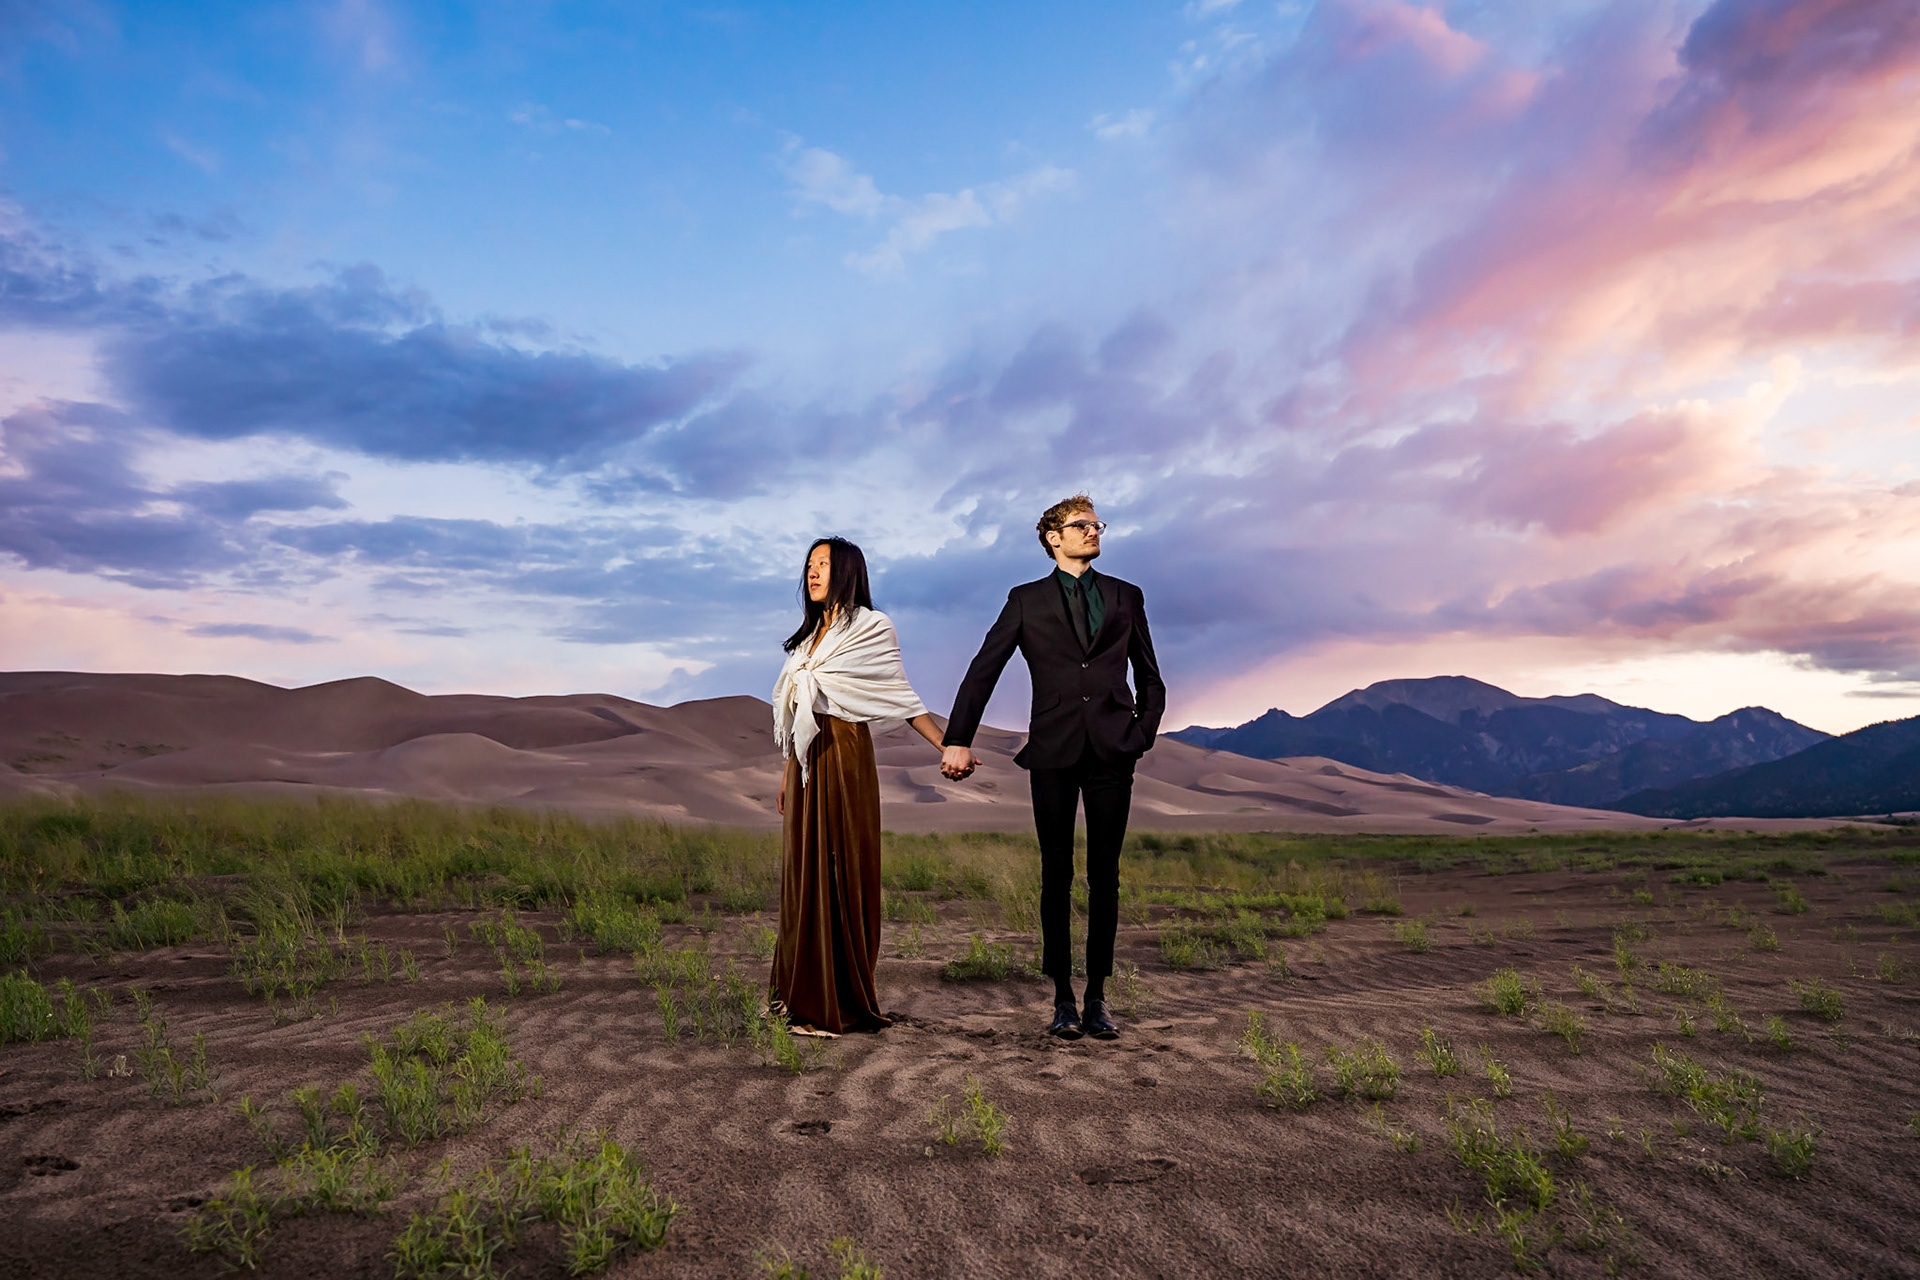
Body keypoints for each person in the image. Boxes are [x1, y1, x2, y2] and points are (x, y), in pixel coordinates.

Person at [939, 496, 1165, 1040]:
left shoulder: (1124, 595)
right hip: (1054, 749)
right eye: (1080, 525)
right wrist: (958, 738)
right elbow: (983, 670)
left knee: (1104, 875)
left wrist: (1140, 734)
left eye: (1096, 524)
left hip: (1114, 748)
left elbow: (1150, 676)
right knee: (1056, 874)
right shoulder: (1025, 600)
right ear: (1052, 537)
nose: (1092, 531)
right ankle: (1063, 996)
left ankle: (1097, 997)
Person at [770, 536, 961, 1035]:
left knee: (838, 870)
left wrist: (946, 745)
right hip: (807, 762)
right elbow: (795, 716)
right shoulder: (806, 641)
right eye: (809, 565)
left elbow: (901, 695)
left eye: (824, 565)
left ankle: (836, 1004)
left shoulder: (873, 628)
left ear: (848, 571)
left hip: (845, 755)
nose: (812, 574)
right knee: (801, 877)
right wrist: (788, 774)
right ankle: (796, 996)